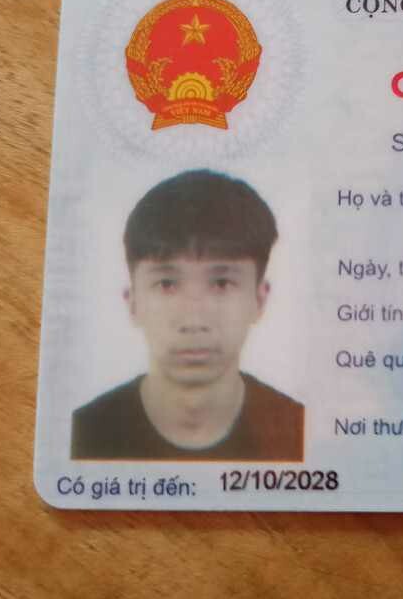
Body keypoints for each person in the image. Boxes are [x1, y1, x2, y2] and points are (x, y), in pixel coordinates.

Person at [71, 169, 303, 460]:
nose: (194, 321)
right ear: (133, 302)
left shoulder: (298, 433)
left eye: (222, 283)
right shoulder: (83, 437)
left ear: (259, 299)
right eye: (167, 284)